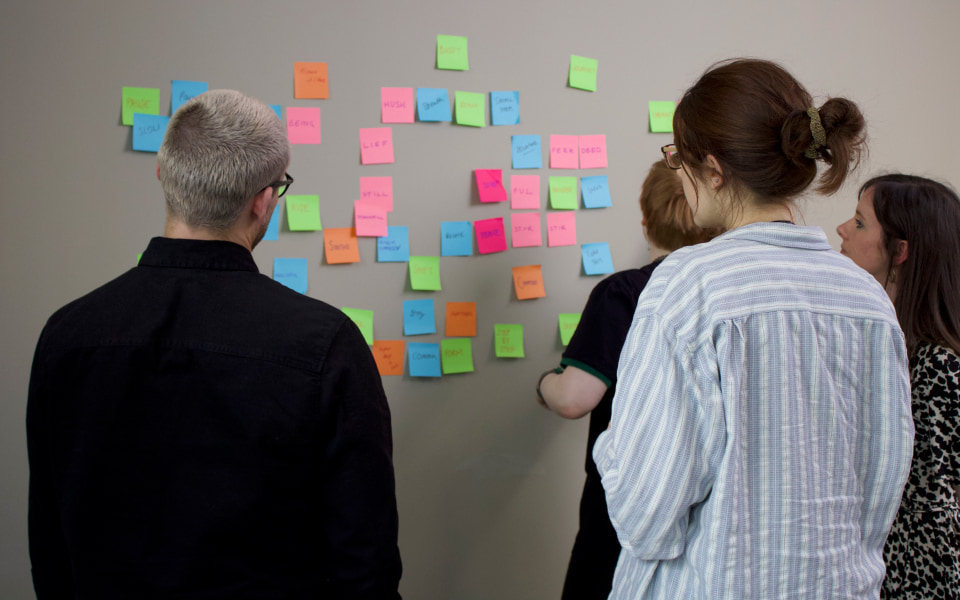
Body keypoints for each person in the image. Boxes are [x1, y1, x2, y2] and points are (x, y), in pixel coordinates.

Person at [26, 90, 402, 599]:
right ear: (264, 200)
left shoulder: (66, 335)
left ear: (163, 176)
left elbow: (50, 544)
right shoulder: (326, 345)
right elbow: (366, 564)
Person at [592, 59, 914, 599]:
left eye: (677, 158)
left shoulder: (689, 285)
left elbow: (643, 516)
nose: (677, 172)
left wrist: (613, 448)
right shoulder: (866, 297)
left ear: (713, 170)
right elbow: (880, 487)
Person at [536, 160, 718, 600]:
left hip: (625, 504)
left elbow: (574, 398)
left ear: (644, 218)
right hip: (705, 500)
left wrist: (545, 383)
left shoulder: (624, 293)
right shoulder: (722, 292)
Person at [837, 174, 960, 599]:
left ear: (900, 251)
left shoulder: (937, 366)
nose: (842, 230)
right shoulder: (883, 346)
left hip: (920, 581)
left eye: (859, 222)